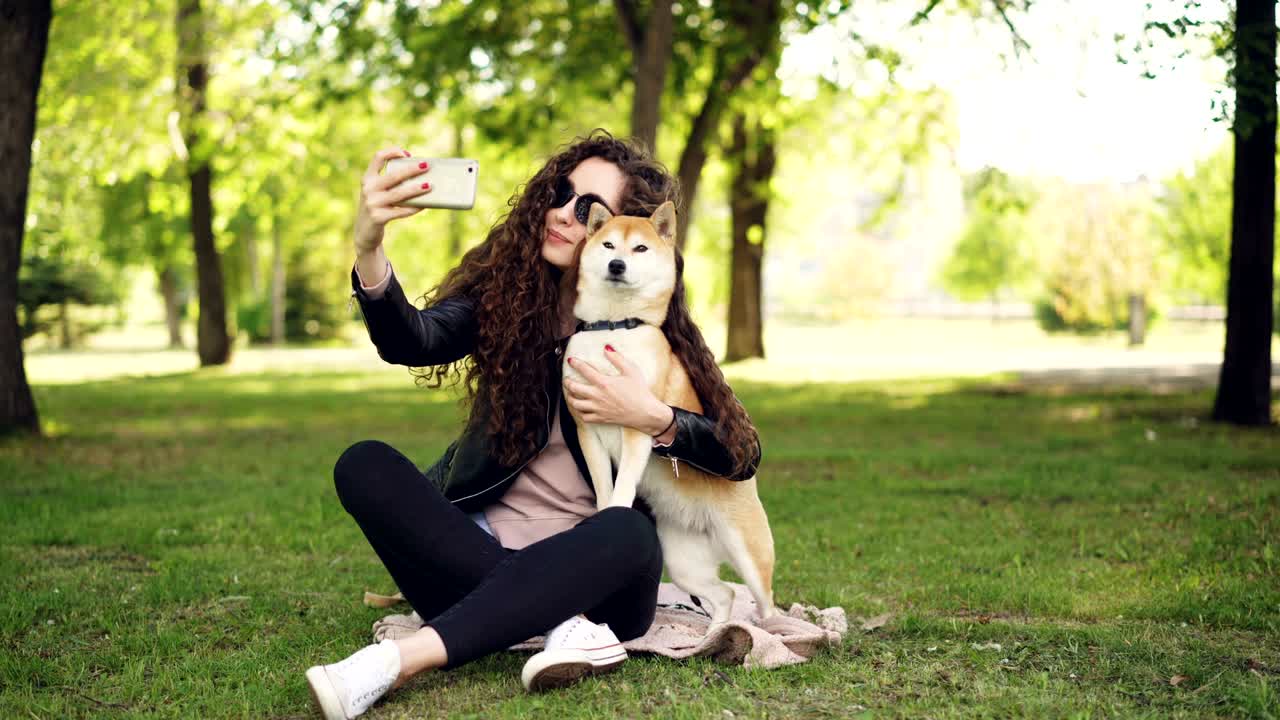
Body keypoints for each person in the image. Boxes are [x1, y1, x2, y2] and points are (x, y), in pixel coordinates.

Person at [306, 130, 761, 720]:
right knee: (363, 463)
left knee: (626, 530)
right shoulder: (506, 296)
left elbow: (740, 451)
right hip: (475, 555)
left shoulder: (653, 329)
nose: (563, 214)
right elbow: (411, 340)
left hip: (602, 573)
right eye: (559, 194)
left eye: (587, 208)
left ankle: (400, 661)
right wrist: (369, 246)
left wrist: (653, 417)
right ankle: (559, 622)